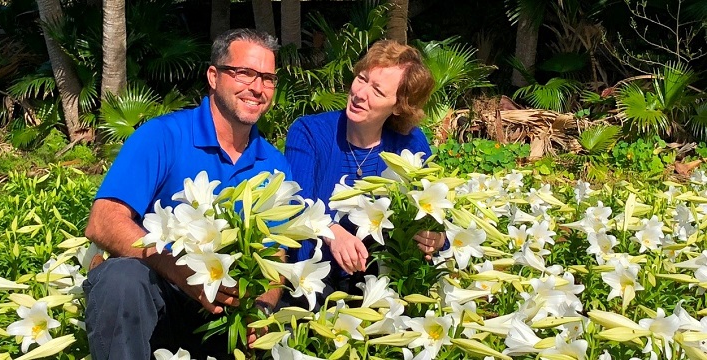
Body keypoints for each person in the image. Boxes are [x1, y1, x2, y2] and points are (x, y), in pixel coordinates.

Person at [82, 28, 290, 360]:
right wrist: (181, 270)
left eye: (267, 78)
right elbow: (103, 221)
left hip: (227, 313)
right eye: (245, 73)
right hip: (160, 298)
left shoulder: (274, 164)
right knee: (120, 278)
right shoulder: (161, 137)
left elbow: (275, 254)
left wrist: (262, 308)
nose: (257, 87)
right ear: (213, 76)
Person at [284, 40, 448, 303]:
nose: (360, 93)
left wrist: (437, 240)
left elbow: (435, 215)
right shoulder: (309, 132)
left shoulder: (411, 144)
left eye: (378, 91)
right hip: (311, 282)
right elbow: (296, 203)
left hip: (385, 288)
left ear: (398, 106)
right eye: (361, 79)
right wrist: (333, 232)